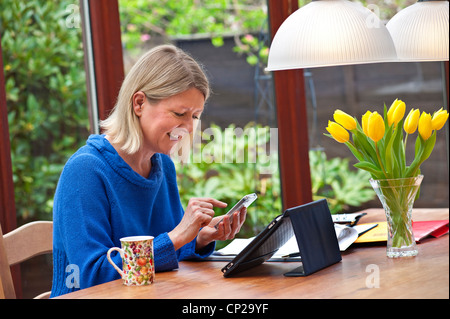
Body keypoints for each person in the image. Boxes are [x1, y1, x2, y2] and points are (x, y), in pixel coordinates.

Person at [50, 45, 247, 297]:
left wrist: (197, 239)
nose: (188, 128)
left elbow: (164, 255)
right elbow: (92, 276)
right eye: (180, 113)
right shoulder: (85, 171)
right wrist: (177, 236)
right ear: (139, 103)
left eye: (195, 116)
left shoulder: (162, 165)